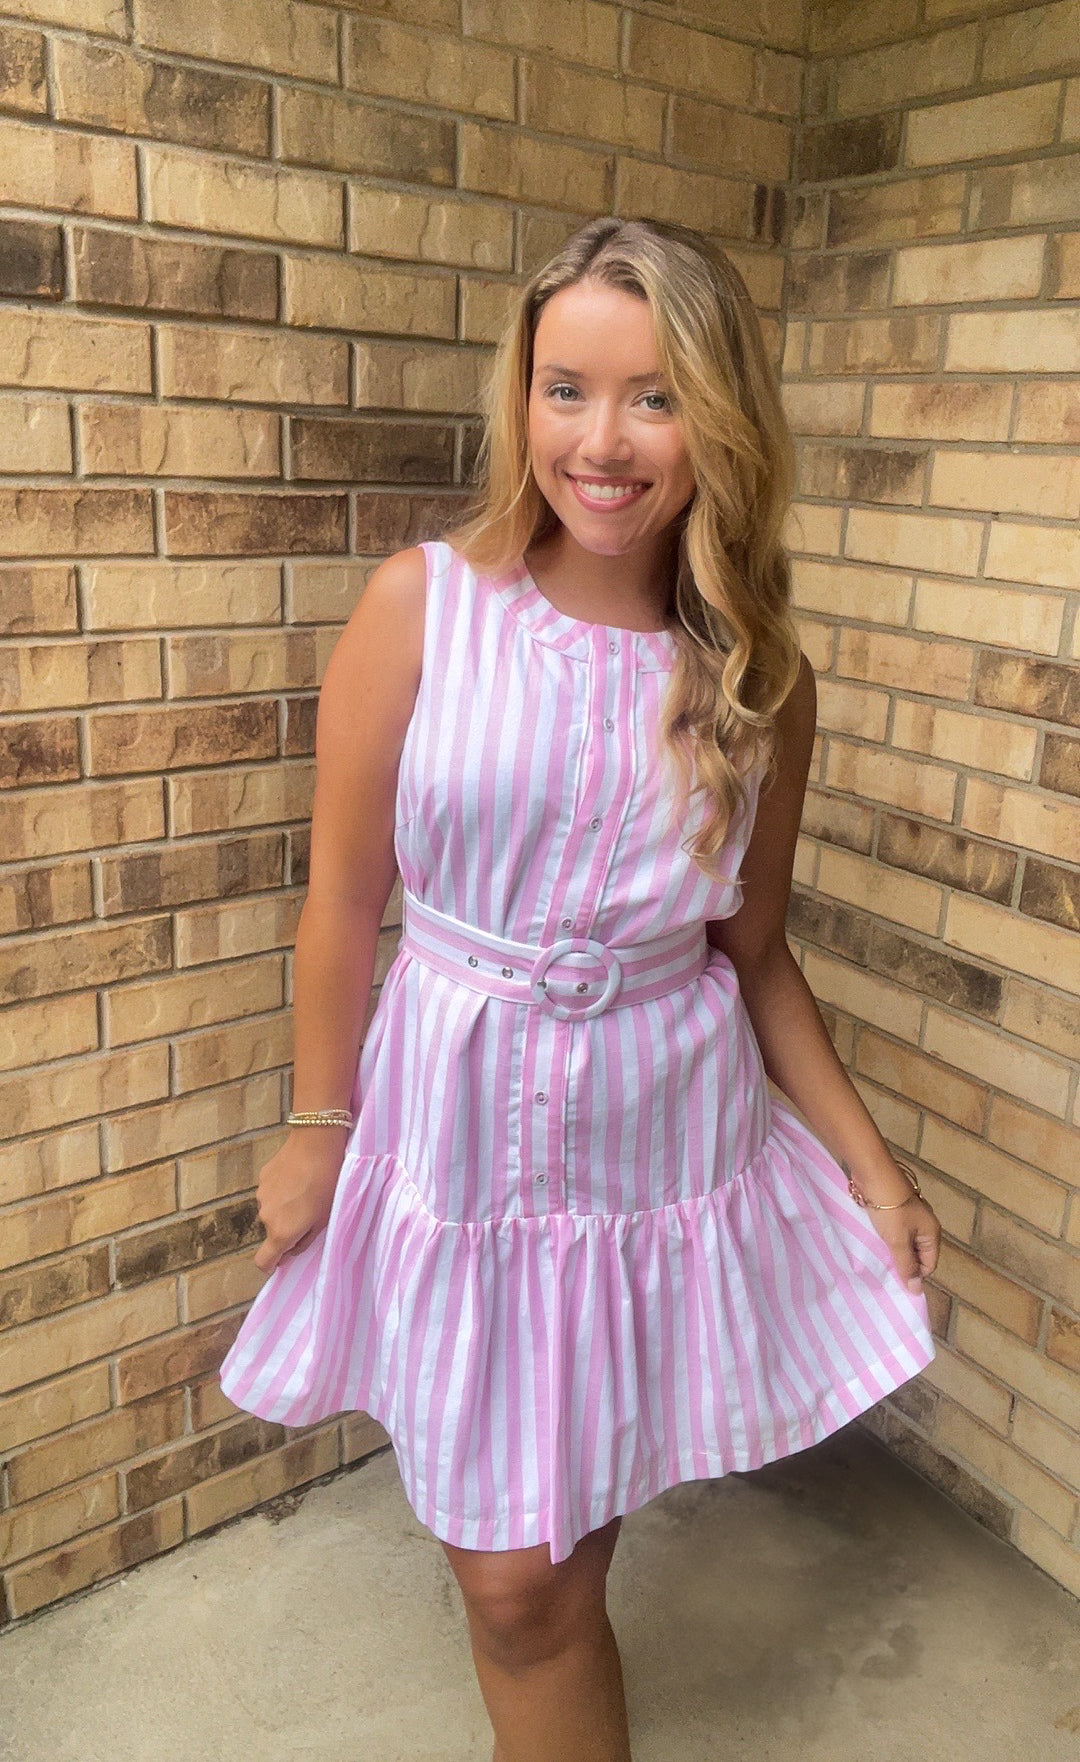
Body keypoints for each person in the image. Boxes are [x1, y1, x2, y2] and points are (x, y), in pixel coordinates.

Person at [219, 215, 940, 1761]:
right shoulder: (423, 605)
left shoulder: (758, 675)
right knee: (518, 1587)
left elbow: (756, 953)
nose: (599, 442)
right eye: (566, 389)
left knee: (562, 1559)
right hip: (463, 1138)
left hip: (651, 1155)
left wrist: (874, 1171)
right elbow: (342, 899)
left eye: (653, 396)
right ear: (522, 396)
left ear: (720, 420)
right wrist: (317, 1121)